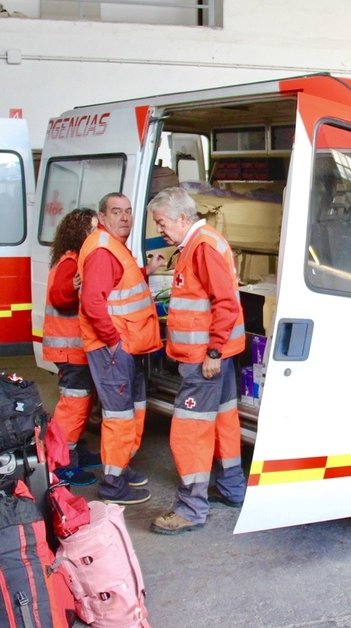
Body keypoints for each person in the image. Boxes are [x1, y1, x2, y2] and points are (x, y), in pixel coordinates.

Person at [147, 186, 247, 535]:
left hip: (206, 358)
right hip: (217, 354)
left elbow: (225, 304)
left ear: (182, 218)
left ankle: (190, 508)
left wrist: (213, 352)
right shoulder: (203, 242)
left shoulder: (201, 247)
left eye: (161, 223)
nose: (159, 230)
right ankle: (232, 487)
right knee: (223, 421)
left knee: (190, 431)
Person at [78, 192, 164, 504]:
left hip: (128, 346)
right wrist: (113, 341)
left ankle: (121, 468)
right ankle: (113, 485)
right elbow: (92, 303)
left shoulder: (113, 246)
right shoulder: (103, 250)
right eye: (116, 212)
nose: (124, 217)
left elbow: (118, 287)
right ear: (101, 218)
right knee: (118, 417)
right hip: (115, 348)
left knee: (132, 410)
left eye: (128, 211)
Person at [42, 207, 102, 486]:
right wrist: (73, 286)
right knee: (74, 407)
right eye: (91, 228)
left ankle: (75, 450)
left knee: (81, 403)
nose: (96, 233)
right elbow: (59, 296)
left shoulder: (73, 259)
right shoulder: (70, 262)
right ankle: (62, 464)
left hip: (73, 350)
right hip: (70, 350)